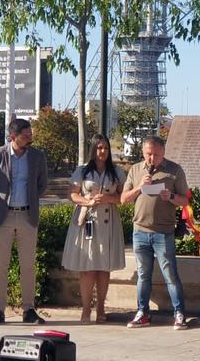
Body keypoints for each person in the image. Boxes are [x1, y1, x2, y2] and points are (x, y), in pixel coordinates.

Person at [0, 118, 49, 325]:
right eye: (25, 136)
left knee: (28, 266)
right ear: (13, 137)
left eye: (31, 135)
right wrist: (1, 202)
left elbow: (42, 185)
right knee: (1, 265)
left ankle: (29, 310)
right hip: (4, 217)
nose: (30, 139)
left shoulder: (38, 156)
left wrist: (28, 199)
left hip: (28, 216)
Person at [121, 135, 191, 330]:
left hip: (163, 232)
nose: (151, 159)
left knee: (170, 275)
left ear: (163, 153)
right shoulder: (136, 170)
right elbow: (123, 199)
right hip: (140, 231)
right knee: (143, 275)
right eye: (148, 154)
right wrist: (139, 188)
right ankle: (142, 312)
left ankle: (179, 313)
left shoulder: (174, 170)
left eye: (156, 155)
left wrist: (170, 197)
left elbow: (185, 200)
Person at [61, 134, 126, 324]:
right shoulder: (82, 171)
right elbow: (72, 194)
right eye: (99, 148)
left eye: (105, 147)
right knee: (87, 267)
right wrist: (88, 201)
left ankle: (101, 308)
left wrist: (107, 199)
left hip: (108, 221)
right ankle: (86, 308)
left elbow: (123, 198)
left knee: (104, 267)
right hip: (87, 219)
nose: (102, 151)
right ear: (92, 150)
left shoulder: (117, 172)